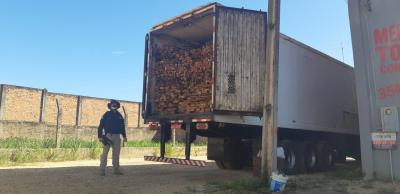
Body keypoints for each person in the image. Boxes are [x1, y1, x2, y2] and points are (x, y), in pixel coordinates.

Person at [98, 99, 127, 176]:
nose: (114, 106)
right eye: (112, 104)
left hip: (117, 137)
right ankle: (102, 170)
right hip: (108, 136)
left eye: (115, 105)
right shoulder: (106, 115)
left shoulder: (119, 116)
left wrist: (124, 136)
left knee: (116, 154)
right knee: (104, 154)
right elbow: (100, 126)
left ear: (117, 106)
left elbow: (122, 127)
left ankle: (116, 170)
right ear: (110, 106)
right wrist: (100, 136)